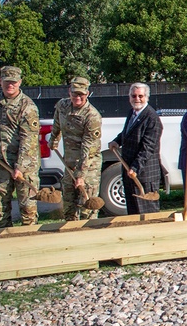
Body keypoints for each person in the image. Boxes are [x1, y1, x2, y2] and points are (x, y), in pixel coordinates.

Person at [0, 66, 41, 227]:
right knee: (0, 208)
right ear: (0, 81)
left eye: (14, 82)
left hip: (25, 165)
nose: (10, 85)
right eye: (6, 82)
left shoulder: (27, 107)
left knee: (28, 209)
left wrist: (20, 167)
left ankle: (29, 243)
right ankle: (3, 245)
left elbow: (28, 140)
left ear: (19, 82)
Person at [50, 76, 103, 220]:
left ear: (87, 94)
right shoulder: (62, 106)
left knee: (87, 206)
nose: (77, 97)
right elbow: (57, 122)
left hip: (88, 165)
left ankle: (89, 235)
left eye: (81, 94)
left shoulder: (92, 116)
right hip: (69, 164)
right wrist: (54, 138)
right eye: (75, 94)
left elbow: (88, 149)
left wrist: (81, 175)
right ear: (69, 92)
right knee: (68, 204)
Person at [109, 82, 163, 214]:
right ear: (129, 97)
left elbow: (148, 147)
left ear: (147, 98)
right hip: (129, 171)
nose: (137, 99)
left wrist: (135, 167)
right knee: (133, 212)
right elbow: (127, 133)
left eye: (141, 96)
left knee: (146, 212)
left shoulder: (152, 118)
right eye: (134, 96)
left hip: (144, 174)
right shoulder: (132, 113)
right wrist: (117, 141)